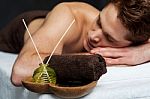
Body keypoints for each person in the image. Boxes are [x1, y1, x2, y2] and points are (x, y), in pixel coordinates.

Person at [0, 0, 149, 86]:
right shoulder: (68, 15)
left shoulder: (139, 32)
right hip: (19, 30)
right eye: (99, 21)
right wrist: (93, 59)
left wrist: (142, 53)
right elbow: (20, 72)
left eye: (109, 38)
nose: (94, 36)